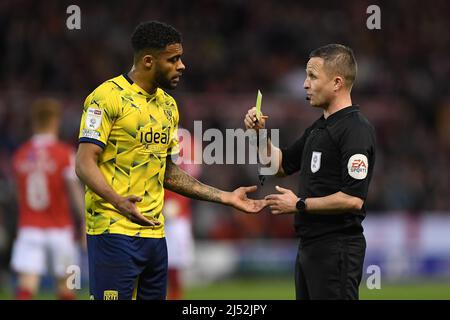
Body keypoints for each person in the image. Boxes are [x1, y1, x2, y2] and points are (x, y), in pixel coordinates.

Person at [75, 21, 266, 300]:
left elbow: (167, 172)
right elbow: (83, 163)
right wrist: (118, 201)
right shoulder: (106, 98)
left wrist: (226, 197)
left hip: (154, 235)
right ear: (149, 61)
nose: (182, 66)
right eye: (174, 59)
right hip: (113, 230)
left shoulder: (168, 106)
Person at [244, 44, 376, 300]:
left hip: (337, 248)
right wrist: (259, 136)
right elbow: (279, 166)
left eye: (312, 76)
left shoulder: (356, 130)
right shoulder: (319, 128)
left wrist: (300, 204)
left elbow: (353, 198)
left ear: (337, 82)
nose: (305, 84)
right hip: (310, 247)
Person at [11, 98, 85, 300]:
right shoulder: (63, 153)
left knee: (27, 286)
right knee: (68, 285)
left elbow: (19, 195)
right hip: (61, 230)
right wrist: (86, 220)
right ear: (55, 122)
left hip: (29, 229)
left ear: (34, 121)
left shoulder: (20, 154)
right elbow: (74, 191)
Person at [164, 133, 201, 300]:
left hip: (175, 218)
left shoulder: (186, 140)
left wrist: (180, 202)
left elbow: (193, 178)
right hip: (145, 211)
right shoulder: (147, 129)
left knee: (174, 271)